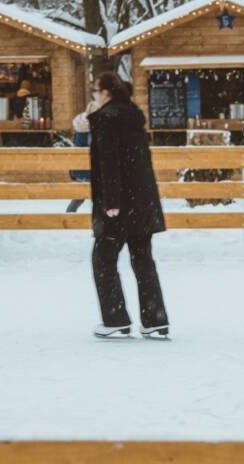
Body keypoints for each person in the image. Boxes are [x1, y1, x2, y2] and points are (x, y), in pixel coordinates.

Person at [88, 72, 170, 340]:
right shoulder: (133, 116)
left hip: (119, 205)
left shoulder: (106, 119)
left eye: (95, 91)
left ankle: (115, 319)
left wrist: (111, 202)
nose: (94, 95)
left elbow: (109, 162)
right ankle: (155, 320)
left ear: (106, 93)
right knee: (142, 258)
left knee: (103, 259)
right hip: (142, 201)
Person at [65, 102, 98, 213]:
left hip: (80, 169)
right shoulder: (91, 126)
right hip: (89, 169)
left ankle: (68, 217)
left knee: (78, 198)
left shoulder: (81, 123)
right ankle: (100, 224)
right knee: (98, 199)